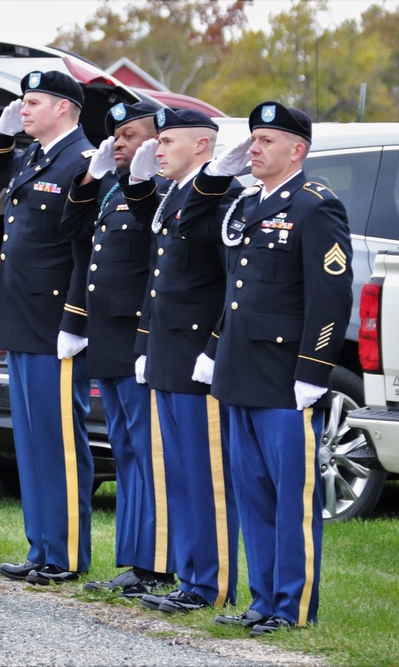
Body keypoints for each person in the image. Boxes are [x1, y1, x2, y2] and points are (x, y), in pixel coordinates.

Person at [178, 101, 353, 636]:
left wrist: (314, 370)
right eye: (253, 139)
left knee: (290, 500)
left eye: (266, 141)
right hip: (240, 370)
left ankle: (293, 606)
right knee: (252, 493)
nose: (253, 149)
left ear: (297, 150)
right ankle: (263, 600)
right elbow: (198, 237)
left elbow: (331, 296)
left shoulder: (315, 206)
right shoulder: (249, 205)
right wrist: (215, 174)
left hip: (284, 378)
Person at [0, 70, 96, 585]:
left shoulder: (84, 163)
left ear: (64, 108)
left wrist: (75, 317)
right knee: (30, 439)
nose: (23, 110)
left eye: (33, 102)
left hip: (54, 323)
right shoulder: (37, 157)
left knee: (58, 438)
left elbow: (86, 250)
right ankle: (40, 545)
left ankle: (66, 553)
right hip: (23, 319)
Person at [120, 107, 241, 614]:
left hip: (197, 356)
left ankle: (211, 583)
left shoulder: (222, 198)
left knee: (206, 472)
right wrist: (146, 344)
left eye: (168, 140)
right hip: (168, 351)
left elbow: (229, 285)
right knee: (180, 473)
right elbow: (159, 278)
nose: (158, 148)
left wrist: (213, 347)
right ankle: (191, 575)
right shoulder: (176, 196)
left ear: (202, 146)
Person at [60, 101, 177, 597]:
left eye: (131, 135)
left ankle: (157, 563)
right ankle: (134, 559)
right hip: (109, 338)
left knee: (151, 454)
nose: (121, 144)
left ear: (158, 139)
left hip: (139, 339)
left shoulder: (166, 192)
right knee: (127, 451)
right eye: (117, 137)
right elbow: (73, 234)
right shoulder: (112, 191)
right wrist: (90, 180)